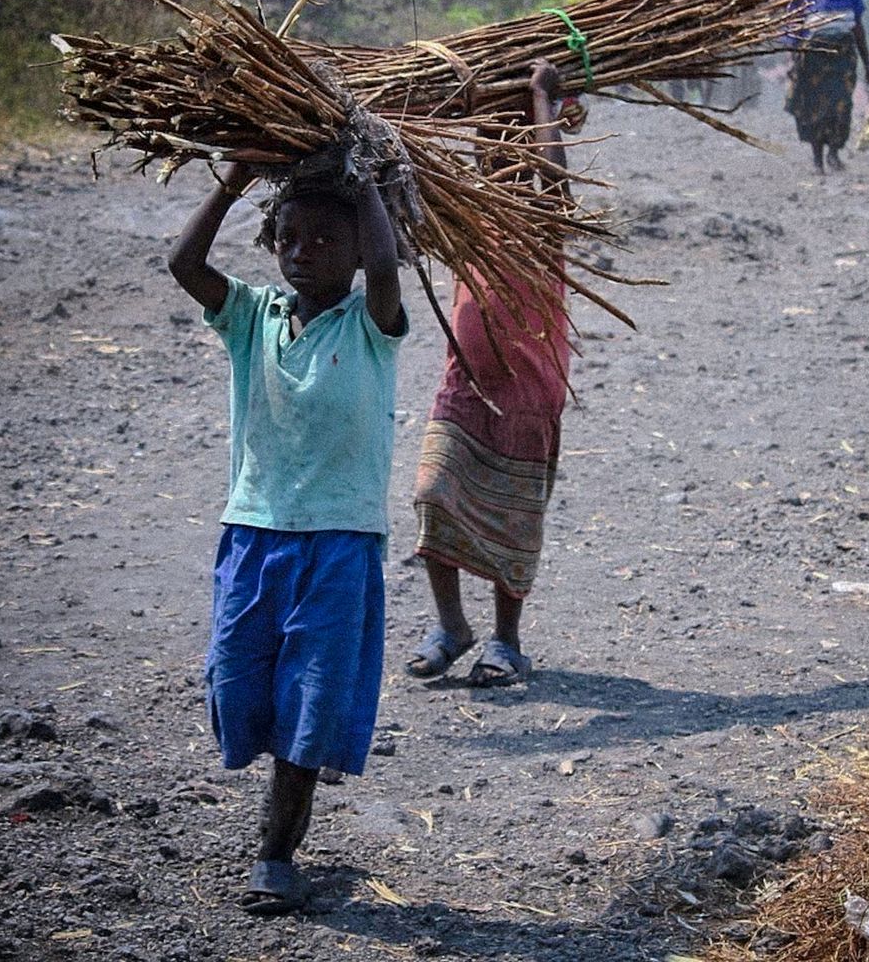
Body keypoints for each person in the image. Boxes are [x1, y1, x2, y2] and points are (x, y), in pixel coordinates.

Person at [167, 156, 407, 915]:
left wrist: (367, 176)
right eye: (291, 238)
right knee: (235, 685)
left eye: (325, 241)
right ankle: (294, 777)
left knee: (309, 699)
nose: (305, 252)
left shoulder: (372, 325)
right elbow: (182, 262)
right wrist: (236, 176)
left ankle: (275, 853)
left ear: (359, 251)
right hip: (254, 533)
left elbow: (386, 264)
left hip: (339, 543)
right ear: (271, 242)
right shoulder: (251, 317)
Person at [407, 62, 572, 687]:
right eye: (487, 146)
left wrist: (539, 99)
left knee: (514, 520)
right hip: (464, 387)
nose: (496, 157)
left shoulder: (544, 218)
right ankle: (452, 626)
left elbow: (555, 180)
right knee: (433, 495)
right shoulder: (463, 219)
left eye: (510, 144)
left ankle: (507, 640)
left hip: (529, 393)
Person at [783, 0, 869, 174]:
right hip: (813, 56)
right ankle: (817, 160)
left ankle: (834, 153)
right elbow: (793, 29)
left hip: (842, 56)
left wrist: (867, 63)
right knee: (814, 107)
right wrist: (792, 60)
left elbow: (857, 27)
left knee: (840, 105)